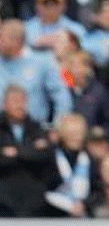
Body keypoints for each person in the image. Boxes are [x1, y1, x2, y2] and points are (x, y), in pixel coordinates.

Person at [0, 19, 71, 125]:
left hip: (35, 131)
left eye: (1, 37)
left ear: (16, 40)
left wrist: (57, 126)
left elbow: (61, 97)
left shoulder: (43, 61)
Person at [0, 85, 55, 216]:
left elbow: (45, 157)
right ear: (5, 104)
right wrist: (30, 150)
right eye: (15, 101)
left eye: (22, 101)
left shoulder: (36, 128)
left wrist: (16, 152)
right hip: (4, 200)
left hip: (33, 200)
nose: (20, 105)